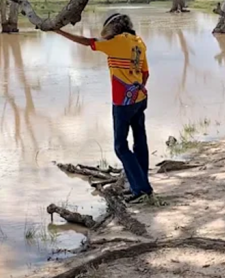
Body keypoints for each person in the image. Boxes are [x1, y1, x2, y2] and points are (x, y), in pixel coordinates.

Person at [53, 13, 153, 201]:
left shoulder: (116, 42)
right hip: (140, 97)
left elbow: (86, 41)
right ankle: (142, 184)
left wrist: (57, 31)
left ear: (114, 28)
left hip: (123, 102)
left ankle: (141, 188)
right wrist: (138, 87)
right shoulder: (138, 42)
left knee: (120, 146)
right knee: (140, 142)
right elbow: (146, 73)